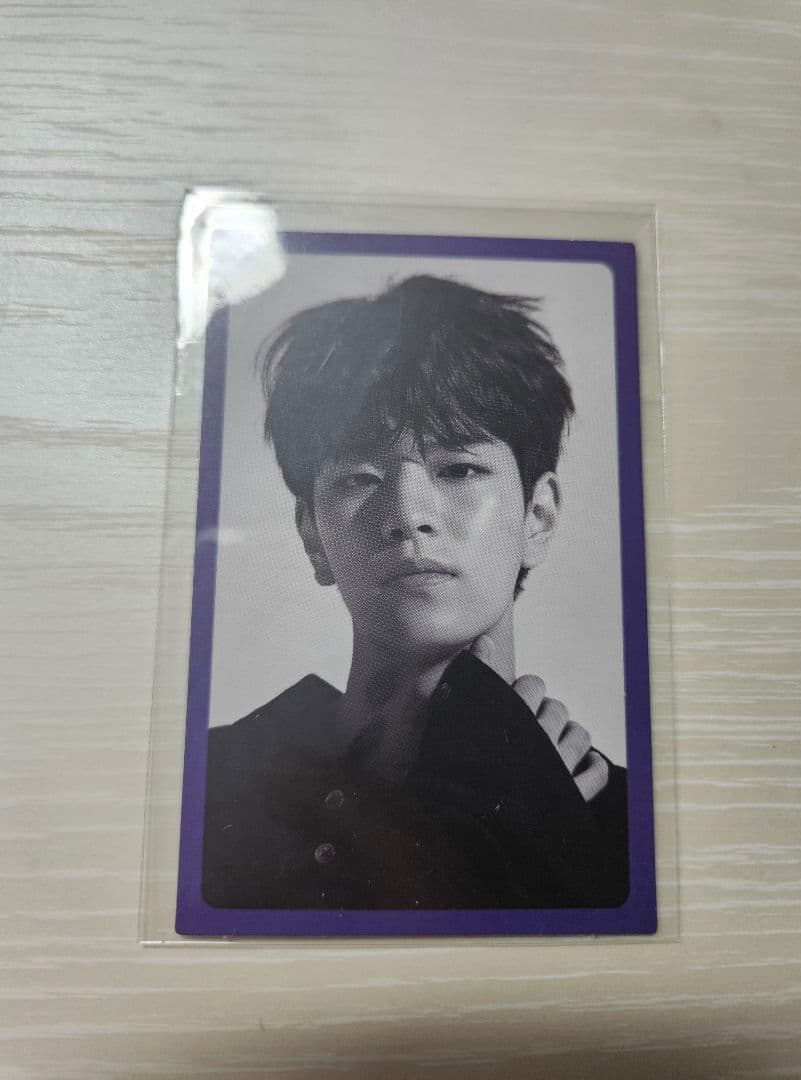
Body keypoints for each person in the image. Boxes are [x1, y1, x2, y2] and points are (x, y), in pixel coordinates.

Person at [202, 274, 628, 910]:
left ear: (536, 518)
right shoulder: (214, 789)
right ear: (313, 534)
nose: (408, 514)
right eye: (360, 477)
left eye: (459, 468)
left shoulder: (631, 826)